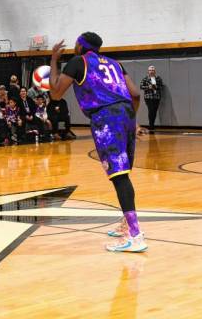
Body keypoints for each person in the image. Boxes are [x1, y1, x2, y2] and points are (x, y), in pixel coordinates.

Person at [49, 32, 146, 253]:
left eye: (75, 44)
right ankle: (126, 224)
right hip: (127, 114)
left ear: (81, 46)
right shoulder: (116, 63)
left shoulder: (78, 62)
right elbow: (135, 94)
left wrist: (54, 59)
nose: (73, 47)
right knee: (123, 175)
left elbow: (55, 93)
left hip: (106, 117)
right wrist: (131, 119)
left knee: (119, 177)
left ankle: (136, 235)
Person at [140, 66, 163, 132]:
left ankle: (152, 124)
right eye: (150, 70)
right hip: (148, 97)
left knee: (154, 111)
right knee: (151, 110)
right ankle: (151, 125)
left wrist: (156, 86)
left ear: (154, 71)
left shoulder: (158, 79)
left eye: (152, 70)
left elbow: (161, 86)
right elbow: (141, 86)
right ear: (148, 71)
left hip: (156, 97)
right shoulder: (145, 79)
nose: (151, 71)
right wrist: (148, 87)